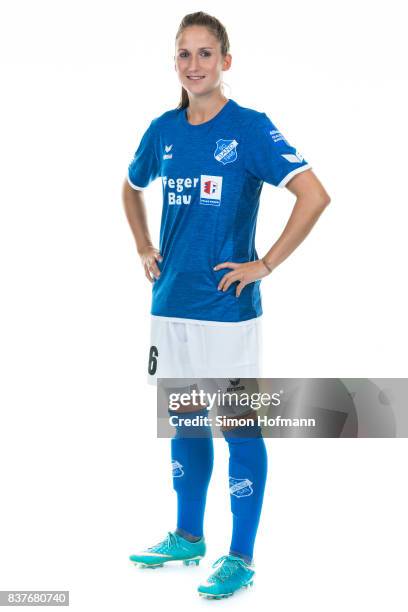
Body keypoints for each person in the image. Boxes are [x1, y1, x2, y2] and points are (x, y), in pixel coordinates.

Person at [122, 11, 330, 600]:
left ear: (225, 61)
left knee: (239, 427)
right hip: (170, 306)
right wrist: (142, 244)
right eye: (184, 54)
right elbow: (129, 185)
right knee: (185, 422)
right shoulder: (163, 130)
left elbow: (314, 195)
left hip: (227, 309)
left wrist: (264, 264)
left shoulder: (250, 128)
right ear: (176, 64)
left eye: (205, 54)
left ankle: (240, 556)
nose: (194, 65)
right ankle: (188, 536)